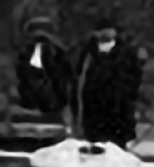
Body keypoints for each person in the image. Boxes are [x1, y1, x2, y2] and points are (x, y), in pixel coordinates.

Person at [75, 17, 139, 147]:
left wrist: (126, 96)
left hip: (119, 115)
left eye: (108, 30)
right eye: (101, 31)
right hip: (93, 115)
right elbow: (78, 80)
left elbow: (135, 79)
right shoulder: (88, 54)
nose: (105, 34)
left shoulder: (126, 53)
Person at [15, 15, 67, 118]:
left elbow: (60, 74)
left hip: (51, 102)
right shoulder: (28, 52)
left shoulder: (55, 52)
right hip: (34, 100)